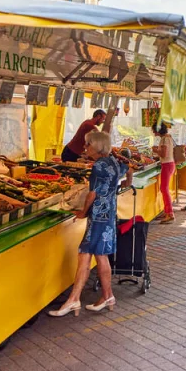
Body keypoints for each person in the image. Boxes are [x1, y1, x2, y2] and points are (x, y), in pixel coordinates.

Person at [49, 131, 133, 317]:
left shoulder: (98, 166)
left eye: (88, 144)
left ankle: (99, 297)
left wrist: (82, 212)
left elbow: (92, 194)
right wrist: (126, 184)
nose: (85, 147)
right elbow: (128, 168)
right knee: (89, 255)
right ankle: (83, 298)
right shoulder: (113, 161)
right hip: (109, 213)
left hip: (97, 215)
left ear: (97, 146)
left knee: (93, 255)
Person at [156, 123, 176, 224]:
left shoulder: (164, 139)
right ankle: (166, 210)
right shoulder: (168, 137)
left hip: (167, 164)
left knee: (164, 188)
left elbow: (163, 154)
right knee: (164, 188)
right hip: (170, 164)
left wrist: (155, 150)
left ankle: (170, 213)